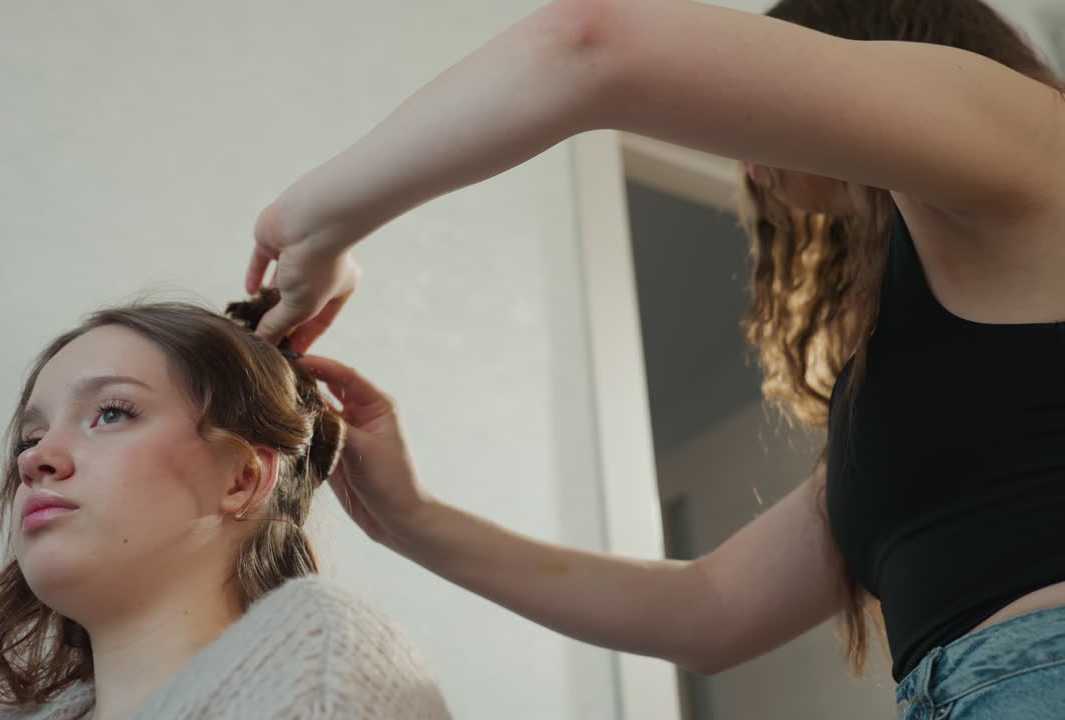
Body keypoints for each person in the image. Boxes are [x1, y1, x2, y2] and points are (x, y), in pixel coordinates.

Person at [246, 0, 1065, 716]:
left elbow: (591, 43)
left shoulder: (1036, 139)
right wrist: (414, 520)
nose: (747, 150)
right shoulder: (916, 388)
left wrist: (316, 222)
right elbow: (708, 613)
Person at [0, 296, 450, 720]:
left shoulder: (320, 660)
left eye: (111, 412)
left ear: (242, 478)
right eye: (29, 438)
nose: (35, 460)